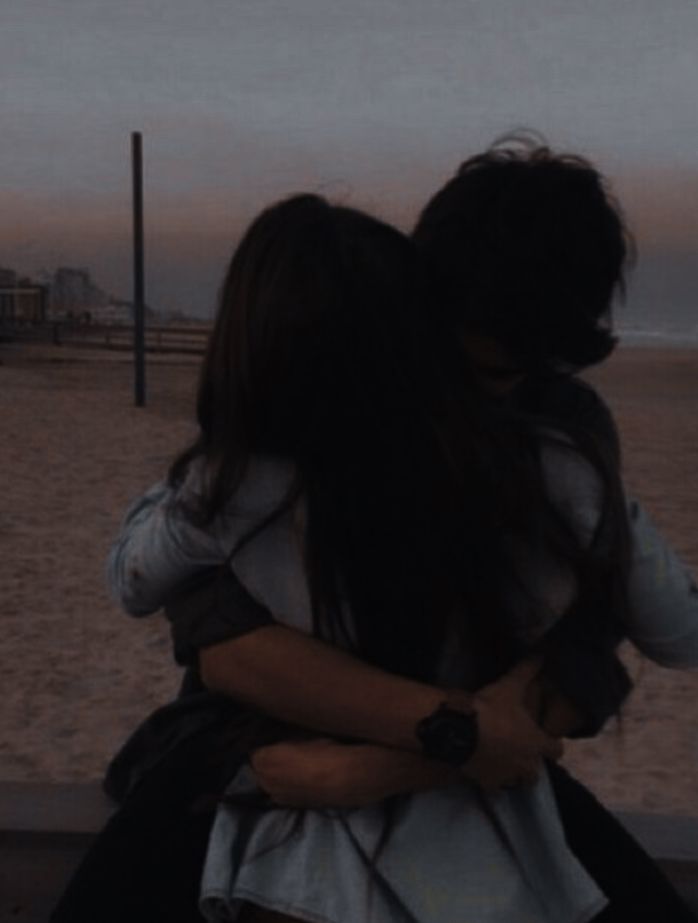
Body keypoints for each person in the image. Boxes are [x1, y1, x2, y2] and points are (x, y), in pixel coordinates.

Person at [102, 193, 698, 923]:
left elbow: (598, 629)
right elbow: (218, 637)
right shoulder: (293, 448)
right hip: (261, 741)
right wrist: (450, 738)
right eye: (458, 361)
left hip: (424, 764)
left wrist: (395, 759)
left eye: (513, 375)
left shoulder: (556, 440)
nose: (460, 397)